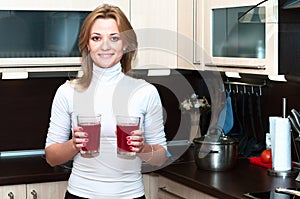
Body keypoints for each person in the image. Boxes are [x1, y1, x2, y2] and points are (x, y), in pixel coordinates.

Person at [45, 4, 168, 199]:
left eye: (114, 38)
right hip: (80, 194)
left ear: (126, 44)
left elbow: (160, 157)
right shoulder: (67, 92)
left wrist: (143, 148)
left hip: (130, 195)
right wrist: (73, 144)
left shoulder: (145, 92)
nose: (105, 46)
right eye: (96, 38)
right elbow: (52, 158)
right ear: (87, 44)